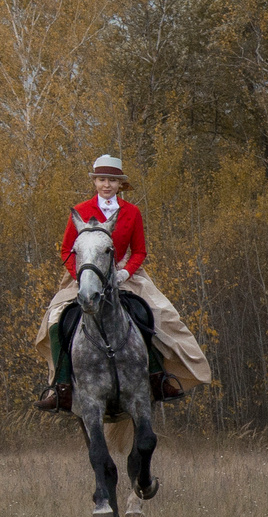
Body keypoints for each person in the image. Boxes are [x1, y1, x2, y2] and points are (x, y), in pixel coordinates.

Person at [33, 154, 212, 411]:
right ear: (95, 182)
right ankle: (61, 389)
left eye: (112, 181)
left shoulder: (132, 212)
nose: (107, 185)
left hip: (124, 274)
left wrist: (124, 273)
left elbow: (139, 251)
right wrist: (82, 276)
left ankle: (158, 378)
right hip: (85, 275)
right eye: (102, 179)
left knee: (158, 314)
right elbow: (66, 251)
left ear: (120, 185)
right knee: (55, 321)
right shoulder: (80, 211)